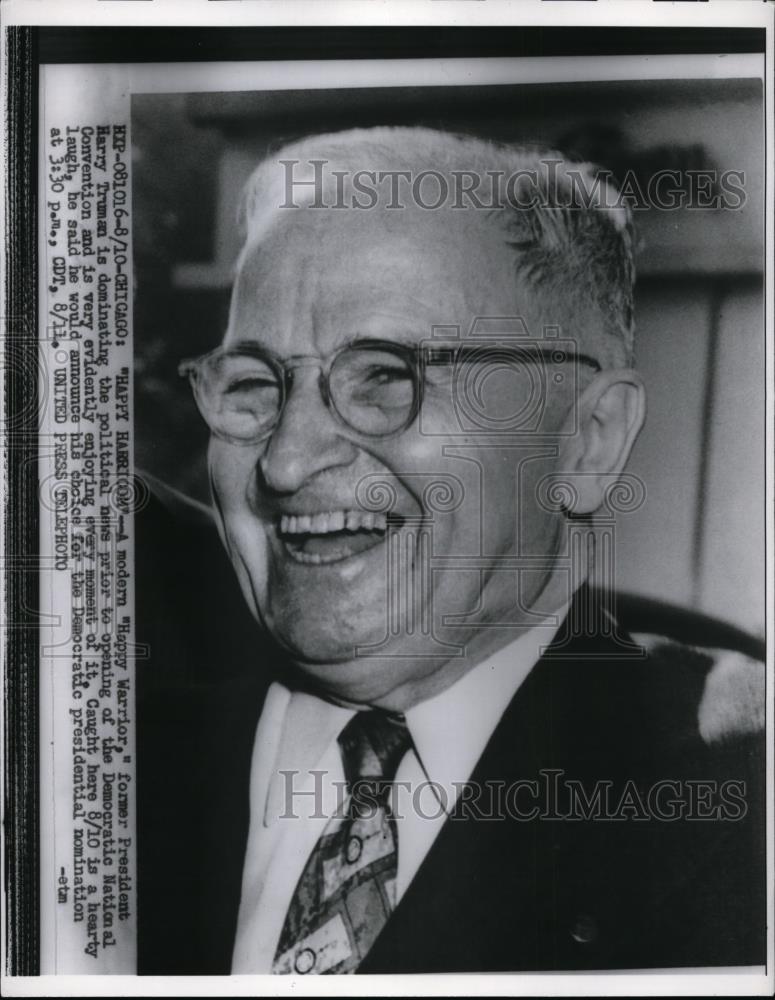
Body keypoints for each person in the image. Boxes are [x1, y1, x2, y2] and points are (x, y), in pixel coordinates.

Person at [136, 127, 765, 975]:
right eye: (253, 385)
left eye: (384, 377)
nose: (285, 463)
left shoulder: (733, 805)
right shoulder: (84, 759)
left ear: (587, 442)